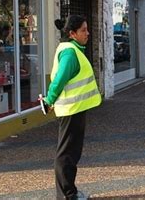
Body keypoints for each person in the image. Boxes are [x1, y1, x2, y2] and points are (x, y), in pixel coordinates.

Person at [40, 15, 101, 199]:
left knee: (71, 153)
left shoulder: (73, 49)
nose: (87, 33)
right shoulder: (69, 52)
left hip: (75, 109)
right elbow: (59, 80)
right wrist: (49, 100)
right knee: (67, 154)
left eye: (87, 29)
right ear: (72, 33)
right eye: (83, 30)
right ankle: (67, 194)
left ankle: (69, 190)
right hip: (71, 111)